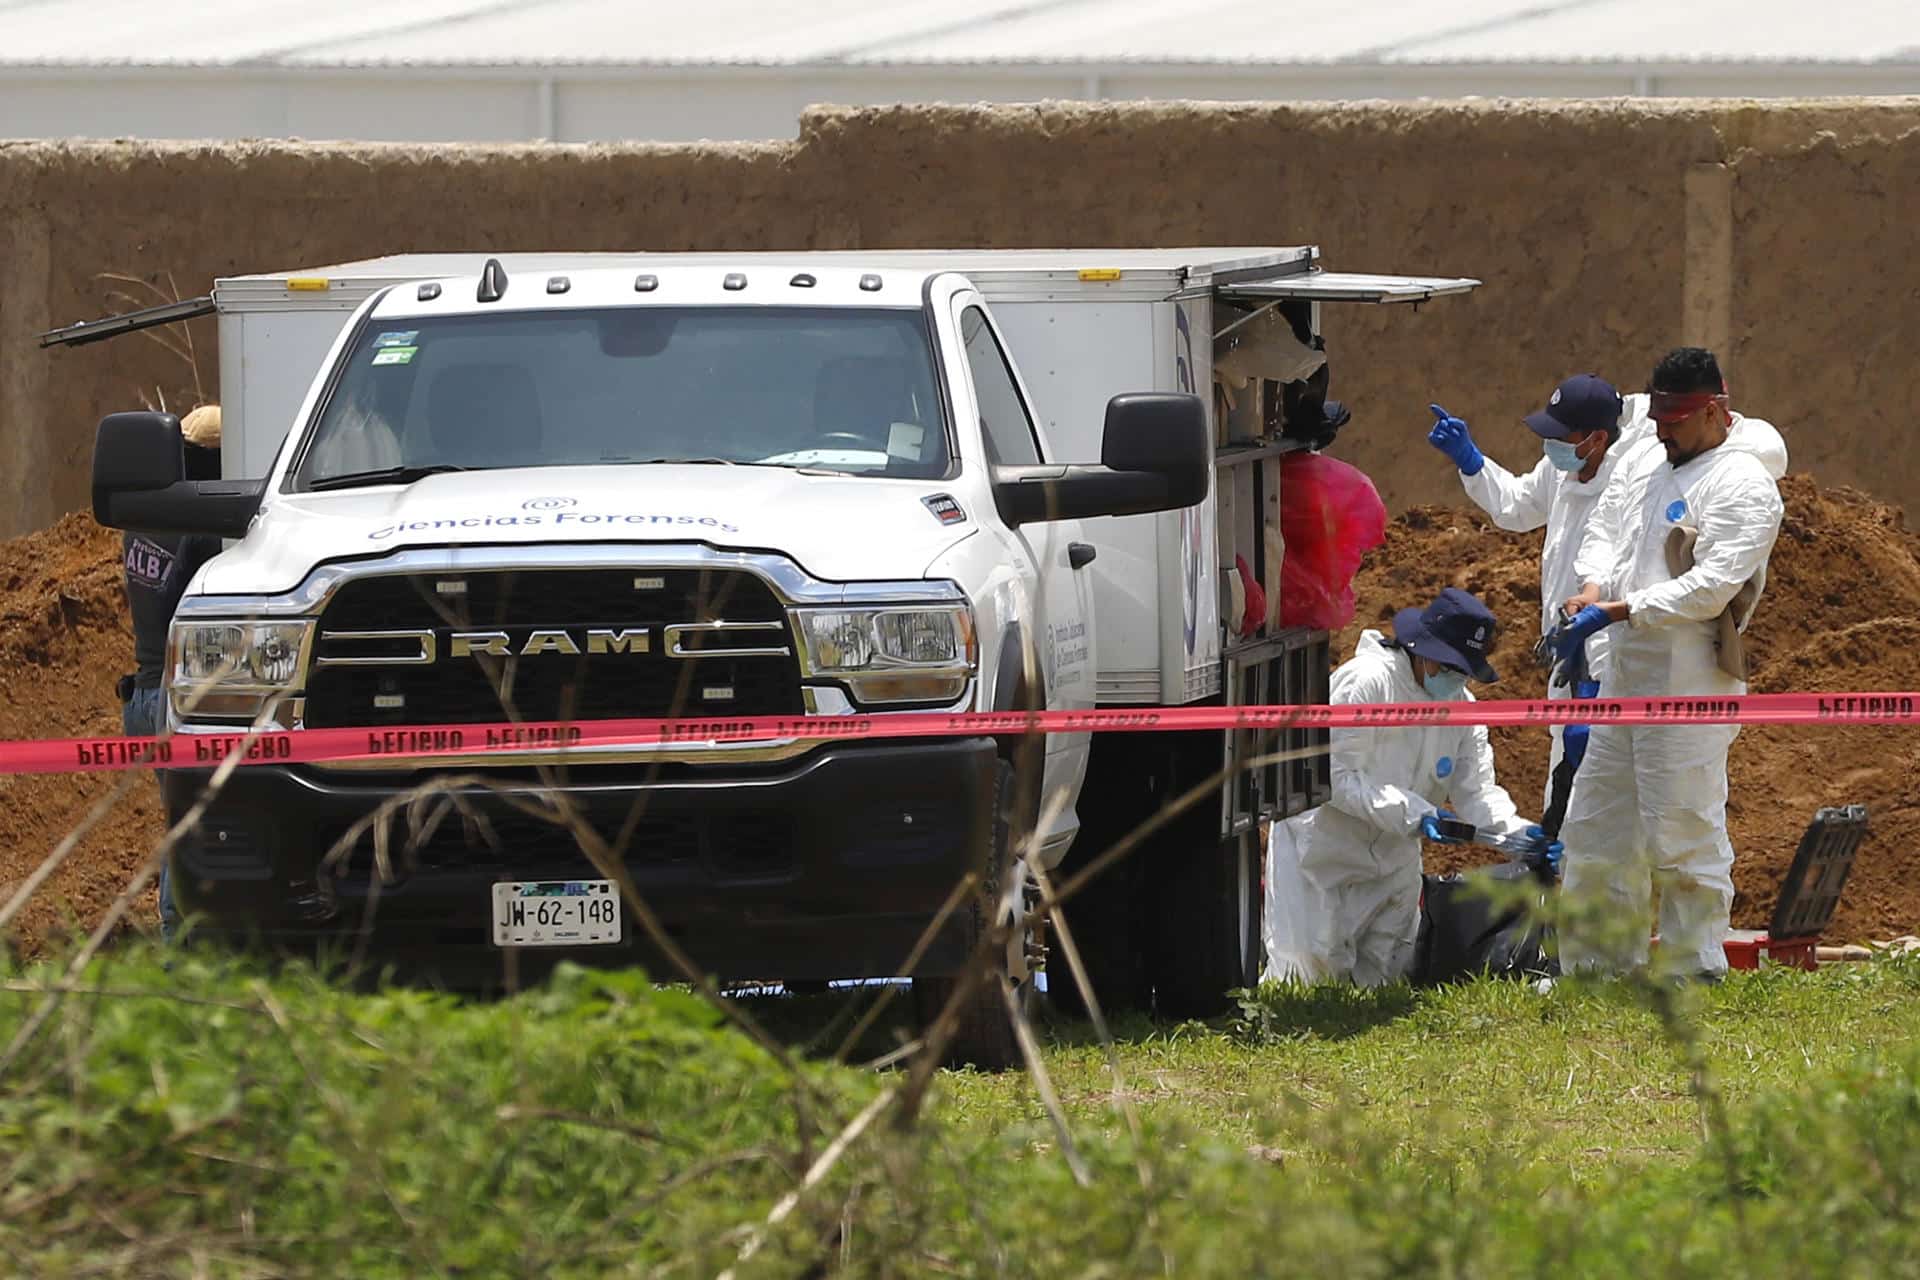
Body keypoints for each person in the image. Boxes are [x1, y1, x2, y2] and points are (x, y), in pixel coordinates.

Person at [1427, 376, 1790, 833]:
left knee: (1610, 797)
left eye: (1562, 437)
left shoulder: (1636, 475)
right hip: (1569, 642)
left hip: (1616, 652)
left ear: (1597, 438)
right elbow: (1517, 508)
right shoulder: (1561, 471)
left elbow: (1763, 449)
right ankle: (1561, 872)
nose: (1551, 446)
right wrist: (1472, 462)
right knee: (1567, 777)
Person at [1547, 348, 1785, 980]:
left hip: (1688, 680)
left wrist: (1625, 609)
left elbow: (1712, 587)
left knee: (1682, 833)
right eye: (1656, 417)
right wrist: (1594, 587)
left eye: (1675, 421)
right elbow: (1607, 527)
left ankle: (1692, 968)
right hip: (1625, 675)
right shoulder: (1651, 458)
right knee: (1596, 828)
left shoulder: (1743, 484)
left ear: (1714, 411)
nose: (1661, 431)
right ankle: (1598, 970)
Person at [1263, 587, 1554, 986]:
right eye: (1451, 667)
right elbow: (1333, 775)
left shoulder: (1462, 708)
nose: (1457, 679)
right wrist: (1414, 813)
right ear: (1425, 654)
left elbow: (1476, 791)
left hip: (1393, 860)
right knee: (1308, 978)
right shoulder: (1365, 683)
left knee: (1384, 981)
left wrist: (1517, 833)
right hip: (1322, 855)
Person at [119, 403, 225, 941]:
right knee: (194, 828)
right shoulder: (202, 527)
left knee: (179, 819)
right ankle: (177, 944)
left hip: (141, 693)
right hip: (172, 698)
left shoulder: (140, 522)